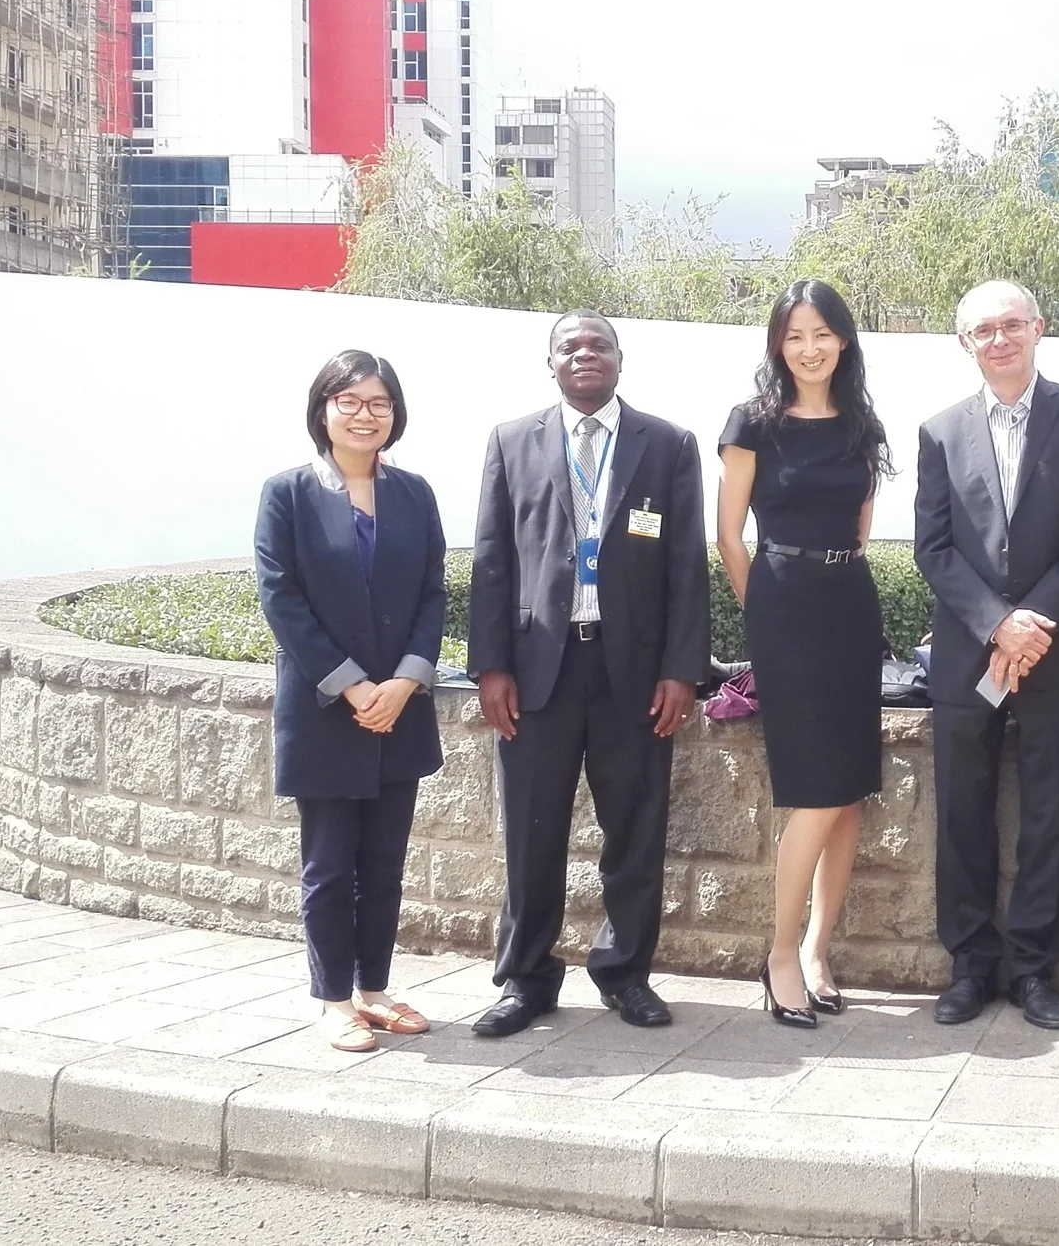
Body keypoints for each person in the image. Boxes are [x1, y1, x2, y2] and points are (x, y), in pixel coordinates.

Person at [466, 314, 709, 1037]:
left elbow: (685, 566)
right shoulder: (512, 441)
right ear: (550, 363)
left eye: (598, 344)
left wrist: (681, 671)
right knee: (530, 833)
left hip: (632, 674)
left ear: (620, 359)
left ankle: (625, 974)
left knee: (635, 832)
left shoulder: (667, 444)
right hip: (538, 671)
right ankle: (526, 980)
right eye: (568, 347)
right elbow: (491, 560)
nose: (584, 355)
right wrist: (491, 666)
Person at [912, 280, 1059, 1031]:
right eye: (983, 330)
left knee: (1051, 812)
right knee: (961, 812)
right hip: (970, 653)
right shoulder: (939, 432)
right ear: (963, 343)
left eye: (1011, 325)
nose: (998, 339)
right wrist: (998, 624)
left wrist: (1034, 623)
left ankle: (1035, 968)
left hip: (1057, 650)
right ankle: (970, 966)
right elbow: (933, 547)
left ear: (1039, 328)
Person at [254, 350, 448, 1053]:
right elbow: (281, 599)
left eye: (380, 403)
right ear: (324, 409)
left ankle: (374, 991)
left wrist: (406, 681)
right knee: (331, 866)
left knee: (385, 866)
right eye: (351, 401)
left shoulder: (415, 494)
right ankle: (334, 1000)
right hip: (327, 714)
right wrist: (354, 685)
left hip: (400, 709)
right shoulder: (288, 493)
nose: (366, 415)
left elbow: (433, 593)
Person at [715, 280, 893, 1030]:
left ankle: (819, 951)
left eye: (822, 333)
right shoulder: (752, 423)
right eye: (794, 335)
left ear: (843, 340)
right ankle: (780, 955)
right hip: (784, 608)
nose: (809, 348)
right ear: (777, 345)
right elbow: (728, 536)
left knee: (848, 792)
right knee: (815, 792)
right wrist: (763, 611)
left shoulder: (860, 424)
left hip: (850, 602)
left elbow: (860, 527)